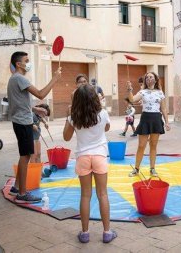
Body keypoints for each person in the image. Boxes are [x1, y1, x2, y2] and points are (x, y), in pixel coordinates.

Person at [63, 85, 117, 244]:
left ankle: (85, 233)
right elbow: (106, 128)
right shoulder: (103, 113)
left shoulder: (74, 116)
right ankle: (107, 232)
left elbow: (66, 137)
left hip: (83, 158)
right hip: (99, 156)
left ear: (77, 100)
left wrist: (68, 116)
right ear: (95, 98)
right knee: (103, 194)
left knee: (85, 195)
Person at [7, 51, 62, 203]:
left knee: (23, 156)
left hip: (20, 120)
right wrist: (55, 79)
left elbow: (18, 102)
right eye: (27, 60)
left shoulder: (14, 79)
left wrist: (34, 109)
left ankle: (16, 187)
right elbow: (40, 94)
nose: (28, 63)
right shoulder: (19, 78)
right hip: (23, 122)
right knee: (26, 157)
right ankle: (22, 193)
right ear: (19, 64)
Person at [127, 72, 170, 177]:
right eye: (147, 77)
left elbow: (163, 108)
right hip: (145, 119)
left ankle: (152, 168)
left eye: (151, 77)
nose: (149, 79)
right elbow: (132, 100)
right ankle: (136, 169)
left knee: (153, 145)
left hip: (156, 119)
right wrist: (129, 89)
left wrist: (167, 122)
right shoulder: (142, 92)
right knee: (141, 146)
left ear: (155, 79)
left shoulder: (160, 92)